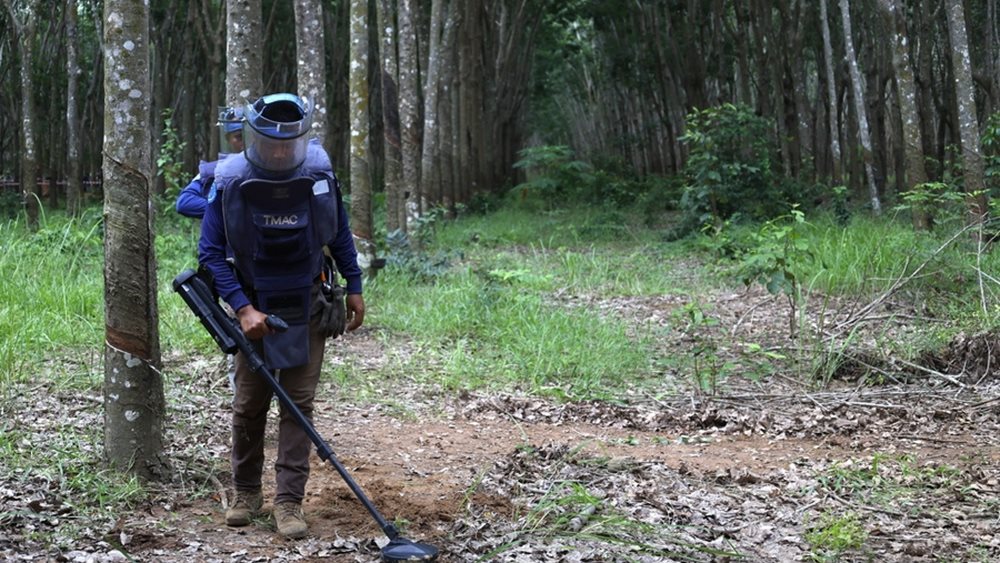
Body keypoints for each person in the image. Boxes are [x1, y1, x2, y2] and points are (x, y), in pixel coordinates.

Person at [198, 93, 365, 539]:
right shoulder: (229, 179)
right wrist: (243, 307)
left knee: (298, 406)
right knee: (250, 404)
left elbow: (340, 232)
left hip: (308, 302)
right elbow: (210, 254)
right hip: (253, 304)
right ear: (253, 138)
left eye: (285, 145)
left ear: (299, 141)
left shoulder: (319, 174)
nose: (277, 152)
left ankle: (289, 502)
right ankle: (246, 492)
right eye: (269, 143)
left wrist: (355, 286)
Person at [176, 107, 245, 218]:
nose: (245, 142)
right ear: (227, 139)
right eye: (239, 137)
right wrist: (226, 209)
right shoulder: (214, 170)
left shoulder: (271, 167)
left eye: (250, 136)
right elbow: (184, 203)